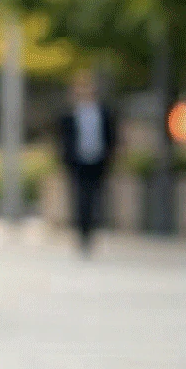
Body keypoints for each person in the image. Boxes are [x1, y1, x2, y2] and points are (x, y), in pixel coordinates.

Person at [57, 69, 117, 254]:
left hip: (98, 161)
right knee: (81, 198)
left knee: (95, 198)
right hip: (78, 162)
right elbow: (63, 140)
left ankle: (92, 230)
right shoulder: (70, 115)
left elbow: (111, 136)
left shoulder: (104, 113)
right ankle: (83, 234)